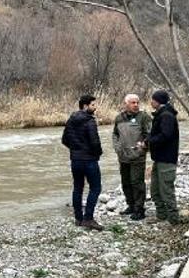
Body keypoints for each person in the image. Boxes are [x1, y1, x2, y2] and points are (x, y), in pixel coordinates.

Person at [62, 95, 104, 231]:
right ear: (85, 106)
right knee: (96, 188)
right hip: (89, 160)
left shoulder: (70, 120)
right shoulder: (89, 121)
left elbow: (64, 140)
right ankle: (88, 219)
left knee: (78, 188)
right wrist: (97, 153)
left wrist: (76, 150)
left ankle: (78, 219)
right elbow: (95, 142)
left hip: (75, 160)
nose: (95, 107)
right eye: (92, 105)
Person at [112, 93, 152, 220]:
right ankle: (130, 205)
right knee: (126, 182)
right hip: (123, 157)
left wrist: (143, 148)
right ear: (126, 104)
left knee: (137, 183)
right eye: (133, 103)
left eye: (137, 102)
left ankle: (139, 209)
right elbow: (115, 135)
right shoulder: (119, 118)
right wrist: (117, 148)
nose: (136, 105)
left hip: (137, 157)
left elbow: (150, 135)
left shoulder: (144, 117)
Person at [146, 90, 181, 224]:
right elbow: (159, 134)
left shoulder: (166, 115)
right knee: (155, 190)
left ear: (157, 101)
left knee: (166, 191)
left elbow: (165, 136)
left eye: (152, 99)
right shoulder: (162, 114)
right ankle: (161, 215)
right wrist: (148, 139)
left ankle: (173, 219)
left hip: (167, 159)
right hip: (159, 159)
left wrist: (149, 141)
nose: (151, 101)